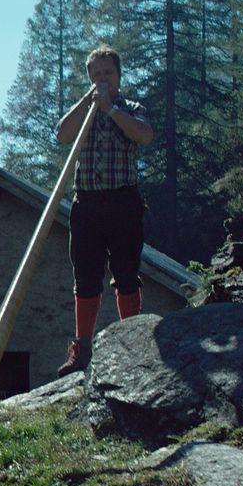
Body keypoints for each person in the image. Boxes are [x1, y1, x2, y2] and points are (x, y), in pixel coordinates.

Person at [56, 45, 154, 377]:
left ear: (118, 76)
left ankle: (134, 343)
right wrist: (88, 102)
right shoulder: (83, 113)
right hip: (87, 203)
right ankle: (82, 349)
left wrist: (111, 109)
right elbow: (61, 134)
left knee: (126, 273)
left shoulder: (131, 109)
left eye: (107, 74)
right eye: (95, 75)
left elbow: (144, 136)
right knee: (85, 277)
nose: (101, 80)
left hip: (123, 202)